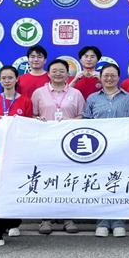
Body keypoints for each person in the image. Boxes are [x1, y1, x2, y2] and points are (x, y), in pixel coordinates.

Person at [83, 63, 129, 238]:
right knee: (100, 184)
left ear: (118, 77)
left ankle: (118, 221)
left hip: (121, 149)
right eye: (106, 75)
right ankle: (102, 221)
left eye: (113, 75)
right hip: (98, 150)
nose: (109, 78)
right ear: (100, 77)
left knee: (118, 183)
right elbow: (86, 122)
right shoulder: (92, 98)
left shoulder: (128, 98)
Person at [31, 58, 85, 234]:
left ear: (68, 74)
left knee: (68, 179)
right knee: (46, 179)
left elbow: (82, 116)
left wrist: (72, 121)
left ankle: (68, 219)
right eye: (54, 71)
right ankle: (45, 219)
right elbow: (32, 116)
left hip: (70, 144)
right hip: (45, 143)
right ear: (48, 73)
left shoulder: (76, 93)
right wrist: (37, 119)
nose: (58, 74)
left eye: (62, 71)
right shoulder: (39, 93)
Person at [0, 65, 33, 149]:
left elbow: (28, 127)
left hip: (17, 145)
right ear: (0, 80)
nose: (7, 81)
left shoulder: (26, 101)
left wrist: (19, 121)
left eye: (10, 78)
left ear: (17, 79)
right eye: (3, 78)